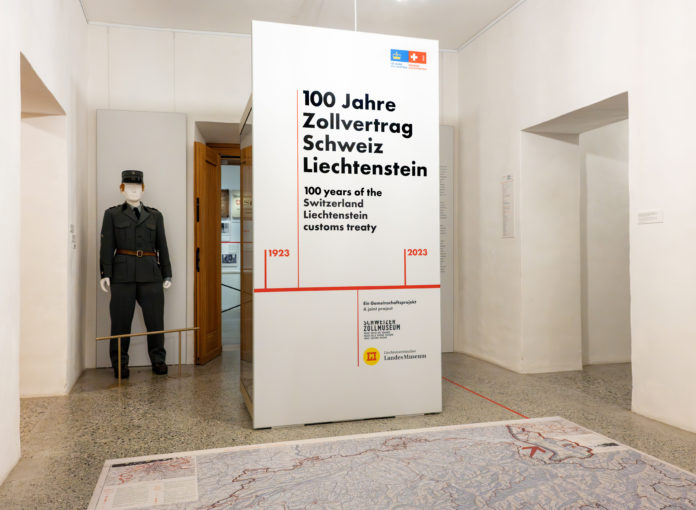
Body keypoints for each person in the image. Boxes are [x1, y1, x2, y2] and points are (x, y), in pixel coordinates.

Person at [99, 170, 172, 378]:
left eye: (137, 187)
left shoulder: (155, 216)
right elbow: (107, 246)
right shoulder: (112, 215)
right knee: (120, 323)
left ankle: (158, 360)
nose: (134, 191)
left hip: (151, 273)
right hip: (122, 275)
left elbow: (162, 245)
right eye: (129, 187)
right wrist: (105, 273)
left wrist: (167, 273)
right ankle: (120, 363)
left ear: (143, 189)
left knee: (155, 322)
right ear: (122, 189)